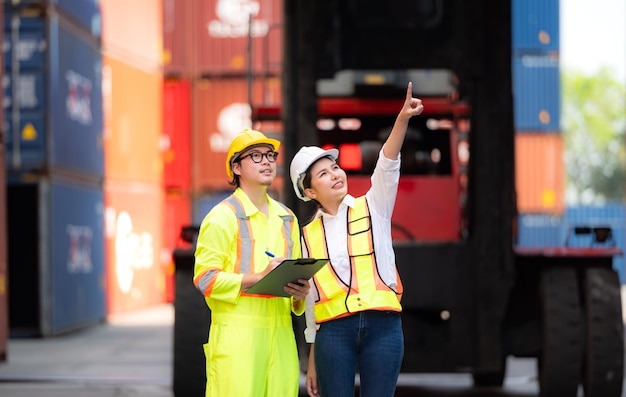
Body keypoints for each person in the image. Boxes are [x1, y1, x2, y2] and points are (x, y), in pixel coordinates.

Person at [289, 82, 424, 397]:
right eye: (323, 174)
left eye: (335, 167)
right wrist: (311, 358)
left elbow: (387, 163)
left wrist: (402, 118)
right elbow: (310, 300)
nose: (335, 174)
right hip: (333, 333)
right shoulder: (306, 236)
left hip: (383, 326)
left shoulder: (374, 205)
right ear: (310, 192)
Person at [193, 128, 311, 397]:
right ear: (236, 167)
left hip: (281, 337)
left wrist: (299, 295)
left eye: (270, 155)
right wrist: (258, 277)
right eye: (256, 156)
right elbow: (205, 279)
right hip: (238, 339)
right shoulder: (222, 216)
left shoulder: (287, 218)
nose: (267, 161)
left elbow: (290, 281)